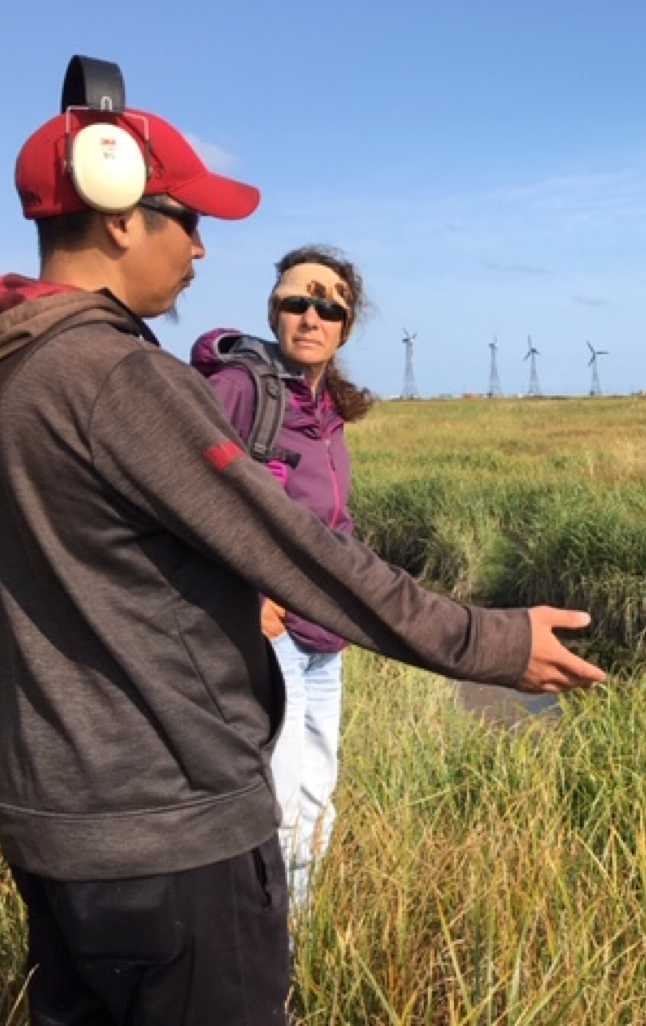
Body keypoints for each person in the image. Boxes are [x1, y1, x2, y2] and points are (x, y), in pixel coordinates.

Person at [0, 63, 606, 1026]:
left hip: (59, 826)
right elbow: (305, 554)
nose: (201, 249)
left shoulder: (20, 359)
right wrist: (489, 643)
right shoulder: (117, 376)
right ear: (118, 213)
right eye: (187, 219)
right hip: (172, 836)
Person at [192, 245, 372, 910]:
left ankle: (299, 939)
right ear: (274, 310)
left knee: (316, 794)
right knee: (278, 799)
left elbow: (332, 521)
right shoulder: (241, 389)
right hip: (270, 633)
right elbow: (186, 495)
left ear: (345, 325)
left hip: (326, 636)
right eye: (297, 301)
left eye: (329, 306)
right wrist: (247, 595)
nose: (311, 315)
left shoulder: (329, 415)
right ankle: (266, 949)